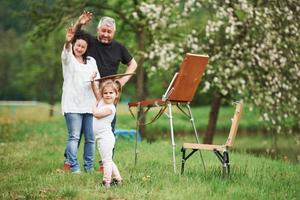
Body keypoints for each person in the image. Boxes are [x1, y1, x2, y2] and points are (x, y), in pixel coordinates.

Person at [72, 11, 138, 170]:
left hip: (109, 95)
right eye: (103, 30)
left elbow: (133, 64)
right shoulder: (90, 42)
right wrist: (80, 22)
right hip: (89, 92)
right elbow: (74, 35)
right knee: (81, 129)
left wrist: (121, 82)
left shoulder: (119, 47)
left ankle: (105, 163)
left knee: (108, 129)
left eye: (109, 32)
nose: (106, 34)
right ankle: (71, 162)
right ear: (98, 30)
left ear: (113, 33)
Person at [61, 26, 100, 173]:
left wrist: (99, 98)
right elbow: (66, 49)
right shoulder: (68, 58)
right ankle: (74, 167)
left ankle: (89, 167)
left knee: (90, 138)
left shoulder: (91, 61)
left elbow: (97, 82)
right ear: (73, 44)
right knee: (74, 137)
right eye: (78, 45)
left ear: (87, 48)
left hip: (90, 105)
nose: (80, 48)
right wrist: (67, 41)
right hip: (72, 105)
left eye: (83, 46)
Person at [92, 79, 123, 188]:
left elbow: (96, 114)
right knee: (108, 159)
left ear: (116, 95)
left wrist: (92, 104)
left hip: (106, 138)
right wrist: (92, 82)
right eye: (105, 93)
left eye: (111, 93)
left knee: (106, 161)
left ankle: (106, 182)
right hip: (100, 137)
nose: (108, 95)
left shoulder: (110, 108)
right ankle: (118, 179)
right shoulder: (102, 102)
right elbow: (96, 91)